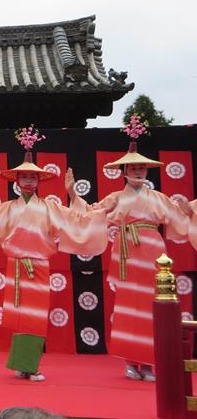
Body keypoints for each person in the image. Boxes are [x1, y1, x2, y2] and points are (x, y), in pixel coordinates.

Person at [0, 127, 107, 381]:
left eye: (32, 177)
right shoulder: (7, 209)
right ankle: (22, 365)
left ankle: (30, 365)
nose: (28, 181)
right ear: (16, 181)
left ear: (39, 181)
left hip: (38, 266)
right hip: (16, 266)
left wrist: (72, 193)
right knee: (20, 319)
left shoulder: (51, 207)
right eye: (24, 177)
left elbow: (79, 221)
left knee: (36, 319)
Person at [66, 122, 189, 382]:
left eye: (141, 167)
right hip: (127, 254)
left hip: (154, 253)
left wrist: (190, 211)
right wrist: (73, 195)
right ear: (123, 171)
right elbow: (91, 214)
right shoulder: (116, 198)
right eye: (133, 167)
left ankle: (151, 361)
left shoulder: (158, 198)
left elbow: (179, 218)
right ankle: (131, 362)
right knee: (128, 307)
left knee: (153, 305)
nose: (138, 171)